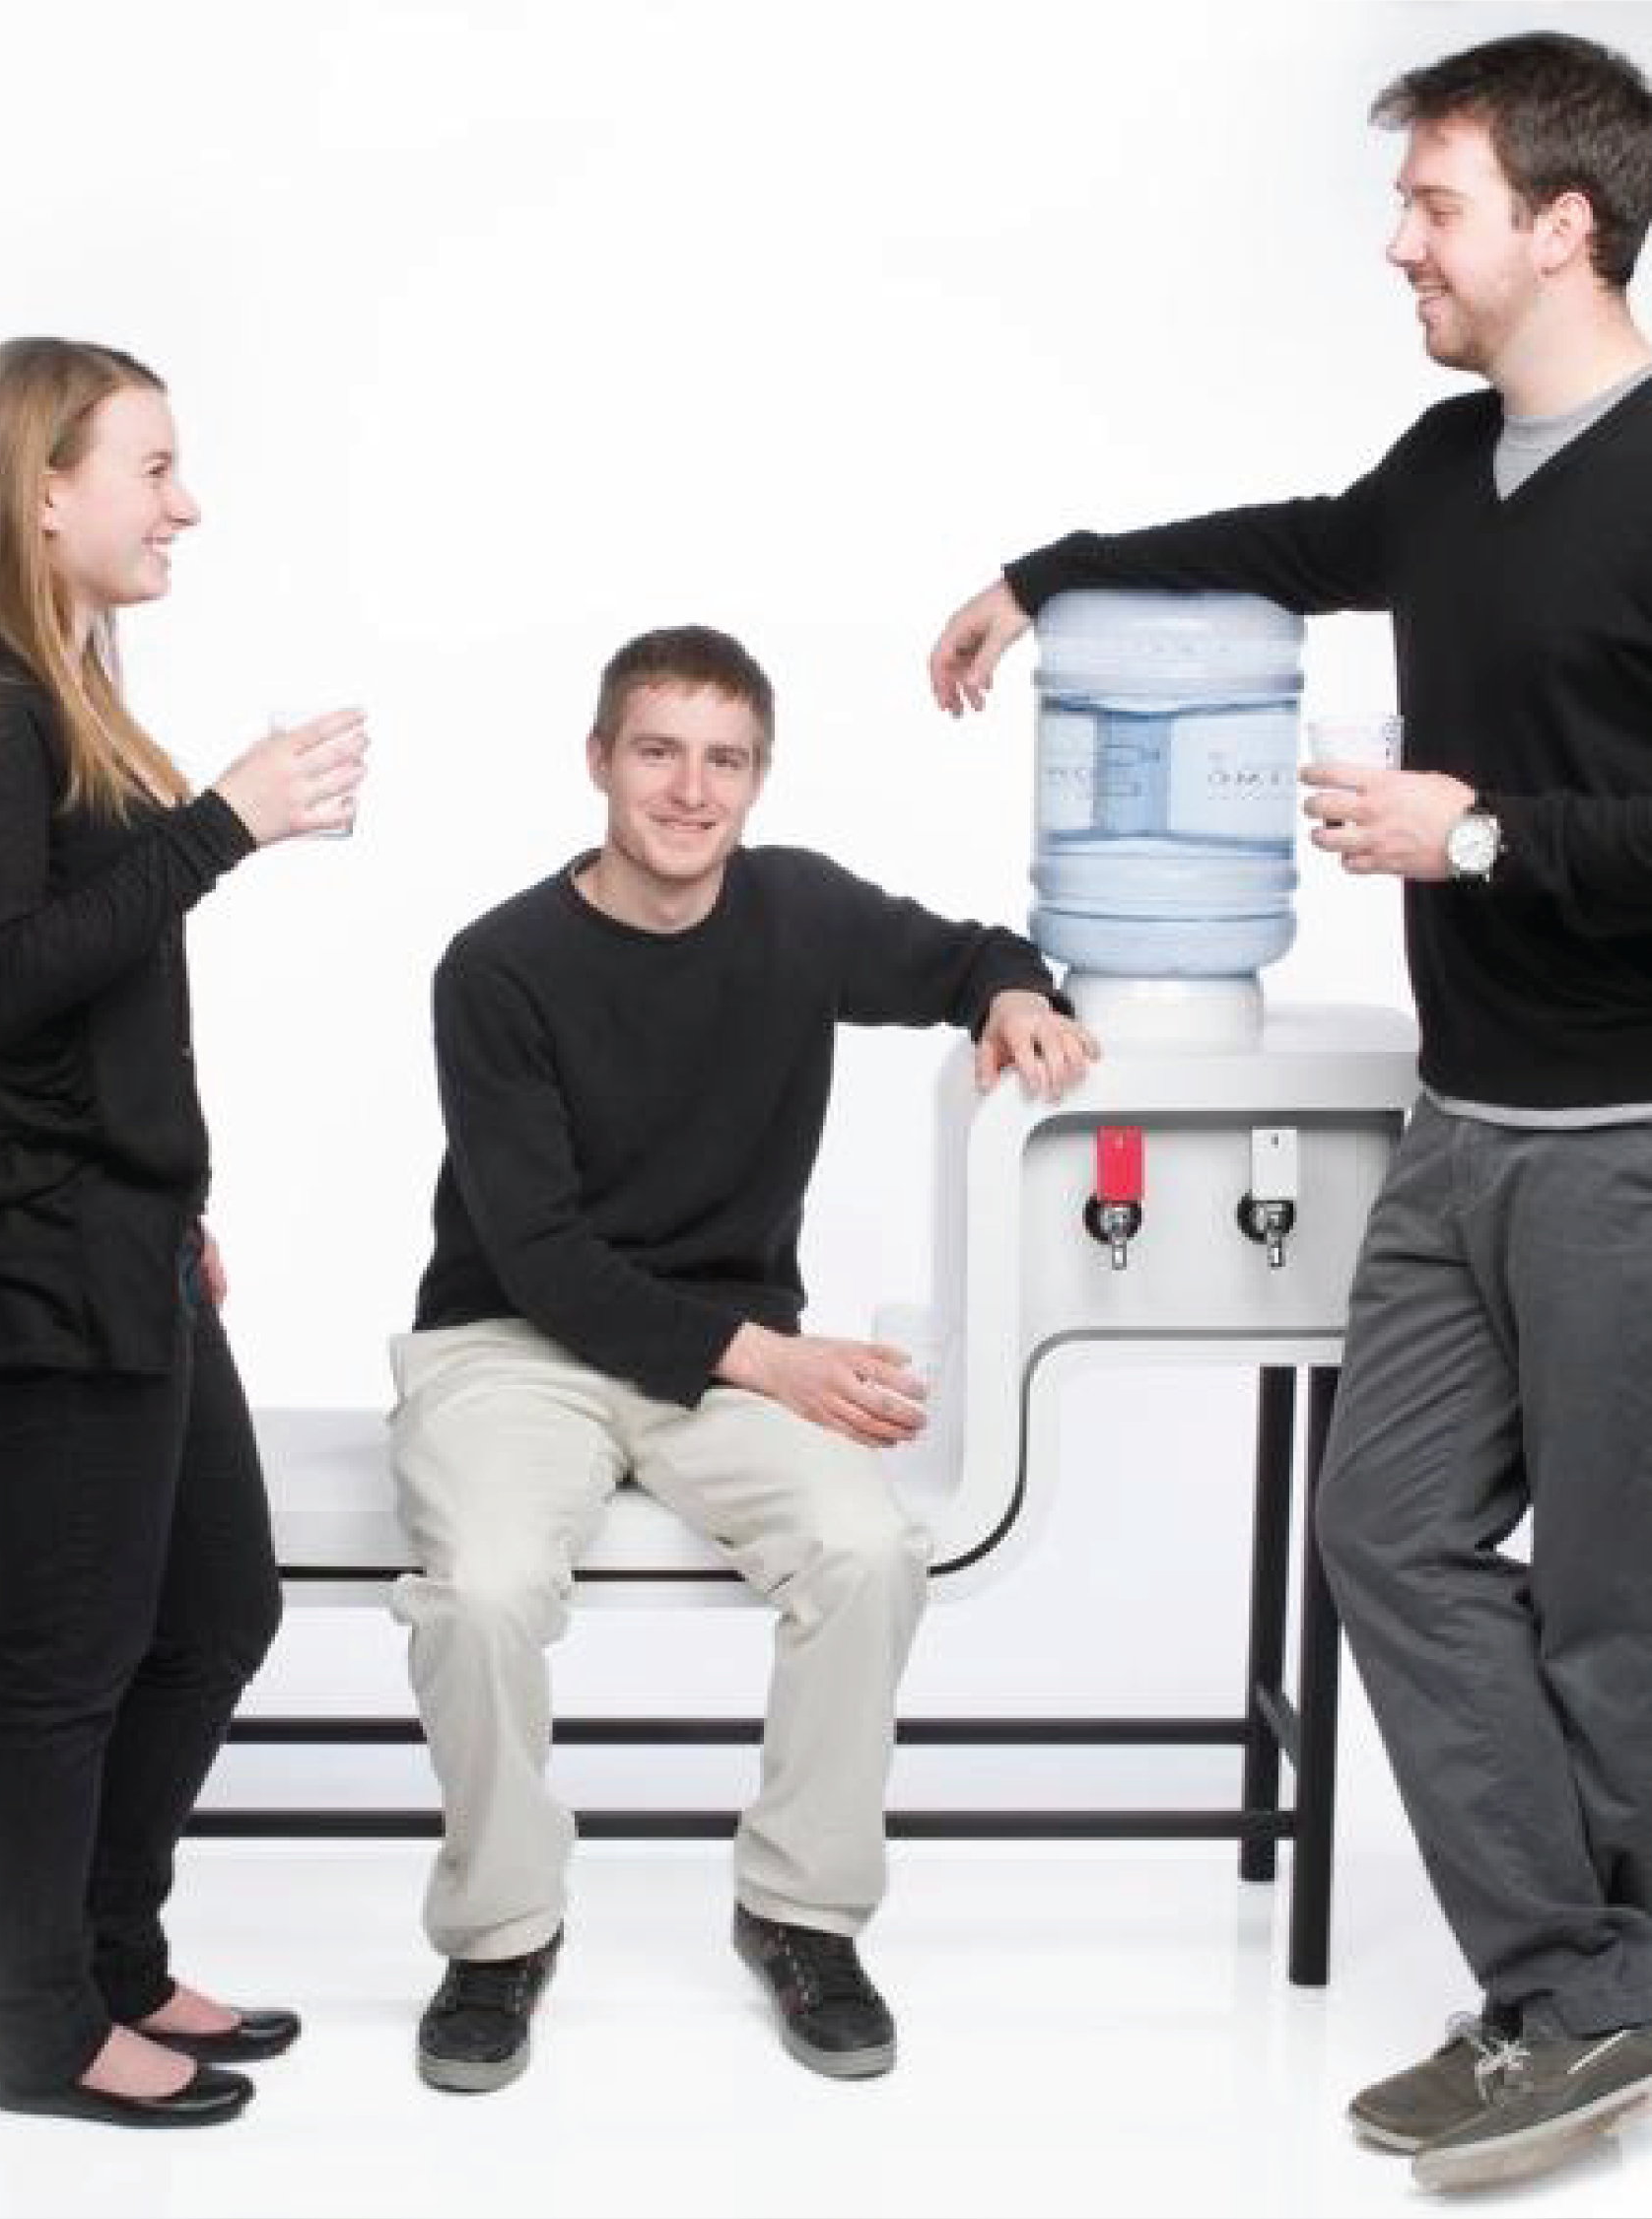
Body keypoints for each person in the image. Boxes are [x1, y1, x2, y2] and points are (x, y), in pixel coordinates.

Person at [927, 33, 1652, 2193]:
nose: (1397, 243)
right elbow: (1294, 537)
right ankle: (1587, 1995)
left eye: (1433, 204)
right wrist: (1049, 570)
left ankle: (1559, 2013)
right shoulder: (1451, 468)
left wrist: (1482, 839)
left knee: (1613, 1589)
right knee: (1387, 1530)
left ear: (1562, 222)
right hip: (1476, 1111)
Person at [390, 625, 1096, 2093]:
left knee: (864, 1548)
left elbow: (972, 952)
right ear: (600, 762)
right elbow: (545, 1257)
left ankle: (800, 1913)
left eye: (724, 760)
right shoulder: (498, 966)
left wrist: (1018, 993)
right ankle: (502, 1930)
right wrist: (771, 1360)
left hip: (723, 1357)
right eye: (658, 750)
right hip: (518, 1341)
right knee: (484, 1586)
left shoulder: (795, 912)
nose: (690, 790)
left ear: (758, 779)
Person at [0, 335, 366, 2128]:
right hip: (31, 1252)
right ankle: (40, 2028)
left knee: (215, 1603)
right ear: (42, 488)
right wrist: (223, 820)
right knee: (66, 1662)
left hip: (121, 1229)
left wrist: (178, 1194)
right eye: (154, 468)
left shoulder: (53, 686)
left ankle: (113, 1960)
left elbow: (101, 1009)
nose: (187, 503)